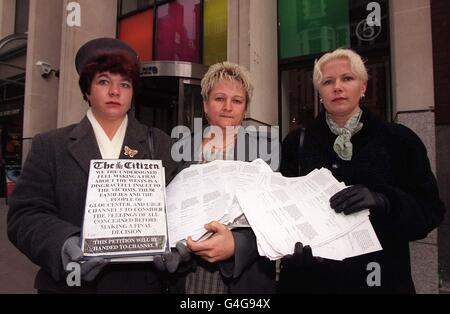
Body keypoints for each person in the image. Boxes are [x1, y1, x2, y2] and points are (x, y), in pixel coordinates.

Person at [7, 38, 179, 293]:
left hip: (142, 285)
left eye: (125, 84)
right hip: (70, 286)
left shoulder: (161, 144)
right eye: (103, 81)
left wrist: (177, 244)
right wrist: (64, 242)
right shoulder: (50, 145)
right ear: (87, 91)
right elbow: (25, 215)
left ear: (132, 94)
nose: (114, 91)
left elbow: (179, 208)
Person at [278, 48, 446, 294]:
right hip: (312, 281)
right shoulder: (296, 143)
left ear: (363, 87)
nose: (337, 87)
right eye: (328, 81)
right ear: (320, 93)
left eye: (347, 78)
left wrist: (385, 201)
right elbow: (284, 209)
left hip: (381, 279)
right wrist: (291, 249)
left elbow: (431, 211)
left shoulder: (398, 140)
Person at [155, 62, 277, 293]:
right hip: (189, 278)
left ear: (245, 107)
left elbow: (276, 221)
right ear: (205, 104)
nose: (228, 107)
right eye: (219, 98)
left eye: (237, 101)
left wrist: (238, 246)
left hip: (245, 279)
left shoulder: (266, 154)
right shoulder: (178, 149)